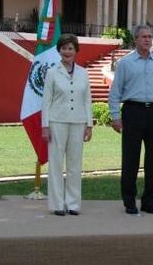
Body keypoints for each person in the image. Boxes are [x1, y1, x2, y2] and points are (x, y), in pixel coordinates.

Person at [109, 25, 153, 215]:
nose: (147, 40)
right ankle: (129, 201)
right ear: (136, 39)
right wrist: (115, 116)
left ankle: (149, 201)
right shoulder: (125, 63)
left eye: (150, 37)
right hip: (132, 112)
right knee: (131, 159)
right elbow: (115, 93)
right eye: (143, 36)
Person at [42, 34, 93, 216]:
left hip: (78, 122)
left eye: (70, 48)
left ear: (76, 51)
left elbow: (87, 100)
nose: (67, 51)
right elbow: (46, 101)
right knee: (56, 163)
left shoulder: (83, 73)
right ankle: (57, 204)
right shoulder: (51, 73)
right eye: (64, 48)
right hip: (57, 122)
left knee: (74, 165)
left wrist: (89, 124)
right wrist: (45, 126)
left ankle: (73, 204)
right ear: (59, 50)